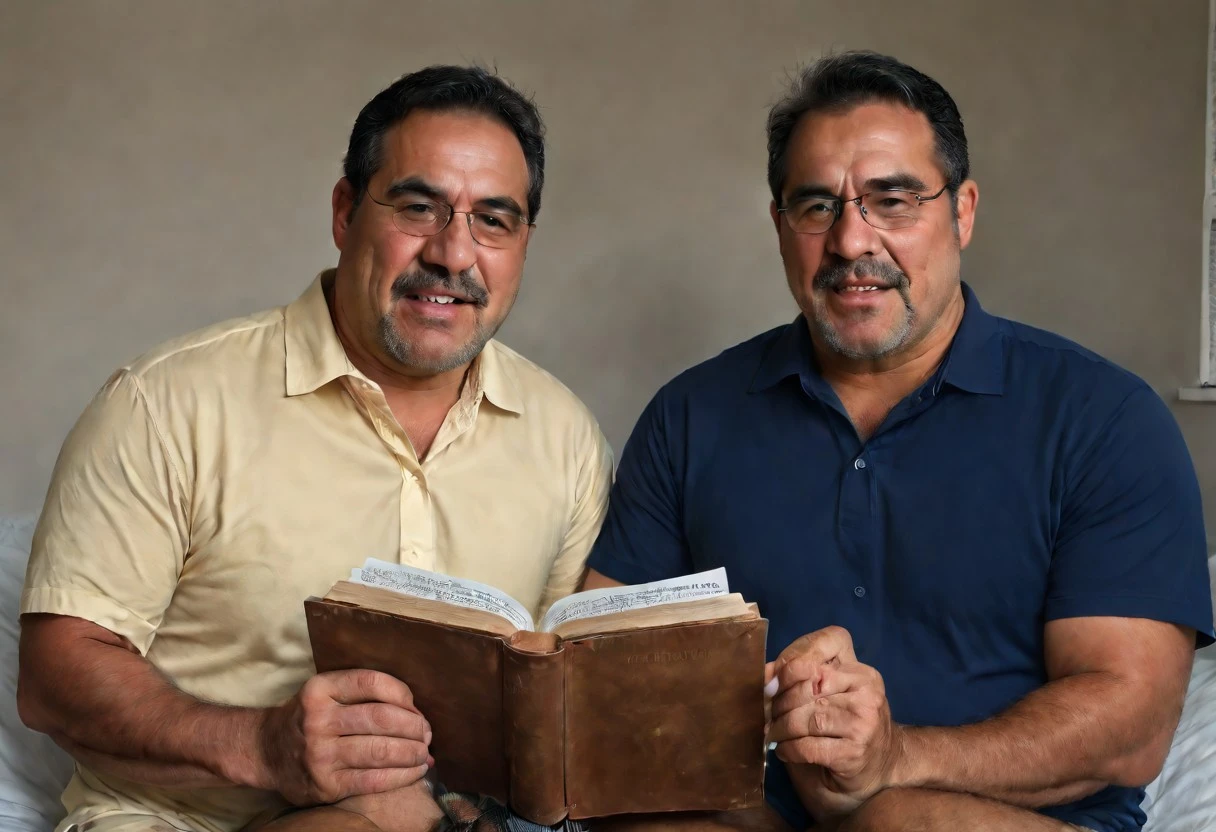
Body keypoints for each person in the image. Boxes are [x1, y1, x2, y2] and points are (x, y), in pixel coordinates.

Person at [583, 51, 1214, 832]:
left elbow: (1132, 728)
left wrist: (894, 761)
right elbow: (598, 668)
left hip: (989, 817)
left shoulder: (1104, 419)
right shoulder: (690, 415)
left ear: (963, 212)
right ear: (780, 226)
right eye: (817, 205)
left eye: (893, 200)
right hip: (757, 813)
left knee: (897, 823)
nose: (852, 241)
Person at [18, 65, 612, 832]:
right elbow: (54, 675)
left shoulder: (565, 438)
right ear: (344, 211)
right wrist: (260, 746)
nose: (453, 254)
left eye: (493, 220)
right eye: (418, 207)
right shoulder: (163, 404)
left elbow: (550, 698)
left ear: (524, 243)